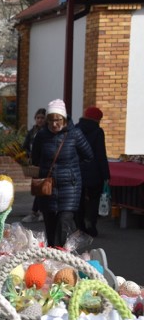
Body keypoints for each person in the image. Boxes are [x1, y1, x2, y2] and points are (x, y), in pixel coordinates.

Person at [31, 99, 93, 247]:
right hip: (48, 187)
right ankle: (52, 254)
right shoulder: (41, 136)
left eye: (57, 120)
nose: (54, 124)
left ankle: (60, 255)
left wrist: (72, 171)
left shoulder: (75, 134)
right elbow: (35, 158)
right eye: (50, 120)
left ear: (64, 119)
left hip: (69, 187)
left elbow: (88, 156)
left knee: (64, 221)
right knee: (50, 224)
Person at [75, 106, 110, 237]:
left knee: (78, 200)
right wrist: (106, 174)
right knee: (94, 199)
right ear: (97, 119)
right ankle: (92, 225)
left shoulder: (76, 129)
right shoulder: (98, 131)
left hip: (77, 170)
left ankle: (79, 226)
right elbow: (101, 154)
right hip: (94, 172)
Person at [21, 108, 47, 223]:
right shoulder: (32, 132)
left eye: (42, 118)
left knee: (41, 188)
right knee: (38, 188)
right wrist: (26, 155)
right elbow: (25, 146)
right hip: (34, 163)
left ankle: (38, 211)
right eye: (38, 118)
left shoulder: (47, 132)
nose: (40, 120)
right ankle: (38, 211)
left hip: (44, 163)